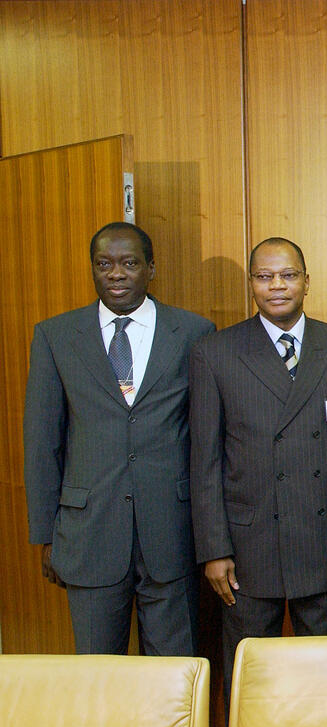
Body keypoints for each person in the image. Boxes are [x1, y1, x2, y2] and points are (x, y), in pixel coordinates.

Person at [24, 222, 214, 655]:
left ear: (151, 268)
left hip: (172, 533)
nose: (116, 274)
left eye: (129, 263)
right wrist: (46, 535)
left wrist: (212, 535)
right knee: (99, 673)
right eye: (104, 264)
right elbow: (41, 443)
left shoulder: (193, 332)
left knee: (173, 673)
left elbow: (207, 440)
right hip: (89, 533)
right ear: (92, 269)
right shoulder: (56, 336)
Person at [190, 236, 327, 696]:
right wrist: (214, 549)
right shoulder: (215, 352)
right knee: (251, 677)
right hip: (248, 546)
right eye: (264, 277)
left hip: (323, 541)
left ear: (306, 281)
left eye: (288, 275)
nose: (277, 286)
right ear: (251, 283)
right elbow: (205, 461)